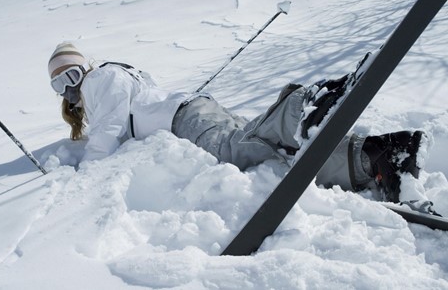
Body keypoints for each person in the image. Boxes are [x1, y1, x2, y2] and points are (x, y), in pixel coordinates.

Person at [48, 42, 427, 203]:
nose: (69, 88)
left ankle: (300, 105)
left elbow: (107, 134)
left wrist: (82, 175)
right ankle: (377, 155)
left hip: (186, 120)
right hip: (196, 111)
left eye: (71, 74)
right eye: (58, 84)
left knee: (234, 152)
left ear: (87, 65)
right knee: (278, 155)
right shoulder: (113, 79)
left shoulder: (100, 80)